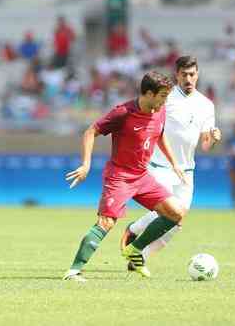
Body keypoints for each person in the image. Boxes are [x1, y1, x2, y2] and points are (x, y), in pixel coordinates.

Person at [63, 72, 188, 282]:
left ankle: (135, 250)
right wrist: (85, 164)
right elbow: (90, 132)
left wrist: (174, 162)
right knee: (106, 222)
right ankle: (74, 271)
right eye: (162, 96)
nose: (165, 101)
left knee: (176, 214)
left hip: (142, 176)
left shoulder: (160, 110)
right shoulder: (123, 112)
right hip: (119, 176)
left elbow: (159, 134)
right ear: (149, 93)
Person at [119, 57, 221, 264]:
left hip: (186, 171)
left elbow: (205, 145)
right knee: (165, 214)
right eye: (184, 74)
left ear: (198, 75)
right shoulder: (166, 98)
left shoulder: (206, 105)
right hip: (160, 166)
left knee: (177, 221)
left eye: (192, 74)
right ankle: (134, 229)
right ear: (177, 75)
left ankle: (139, 258)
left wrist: (214, 140)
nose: (188, 78)